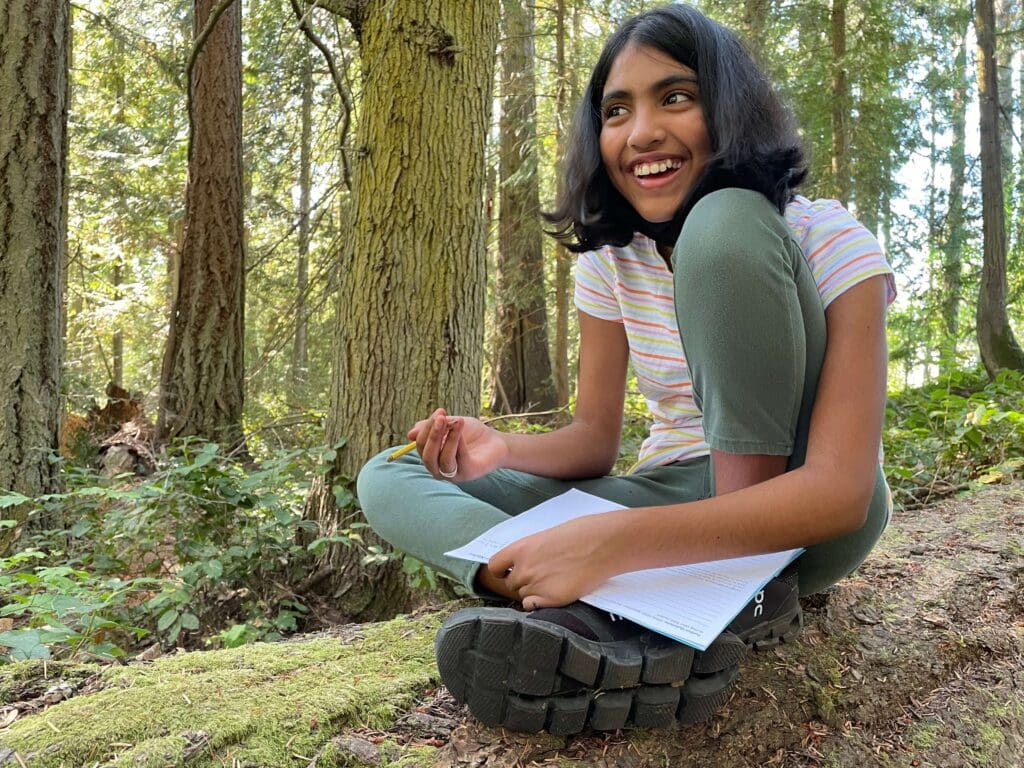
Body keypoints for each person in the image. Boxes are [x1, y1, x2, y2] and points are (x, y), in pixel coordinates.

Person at [357, 3, 895, 735]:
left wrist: (611, 544)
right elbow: (593, 441)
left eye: (675, 97)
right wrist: (501, 451)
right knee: (392, 473)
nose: (642, 132)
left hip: (798, 513)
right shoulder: (615, 261)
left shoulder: (827, 237)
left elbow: (840, 493)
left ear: (730, 107)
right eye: (616, 110)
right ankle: (562, 602)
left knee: (726, 222)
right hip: (667, 496)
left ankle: (730, 593)